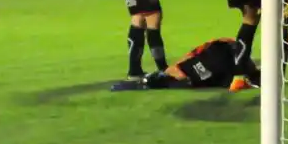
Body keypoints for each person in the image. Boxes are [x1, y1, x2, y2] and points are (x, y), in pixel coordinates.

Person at [110, 38, 260, 92]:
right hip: (224, 59)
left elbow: (187, 60)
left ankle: (148, 80)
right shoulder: (222, 46)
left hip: (219, 62)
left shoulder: (184, 71)